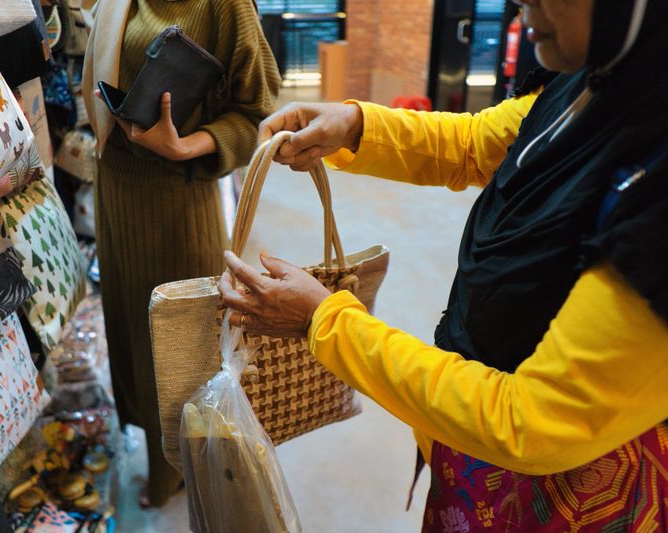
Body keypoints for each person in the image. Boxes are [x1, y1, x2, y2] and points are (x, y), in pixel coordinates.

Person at [220, 0, 668, 529]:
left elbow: (532, 421)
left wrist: (327, 322)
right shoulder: (599, 78)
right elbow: (481, 143)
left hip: (561, 490)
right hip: (468, 428)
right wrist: (355, 124)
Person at [83, 0, 280, 507]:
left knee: (177, 350)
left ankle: (179, 469)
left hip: (175, 199)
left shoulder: (224, 5)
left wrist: (186, 147)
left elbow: (258, 111)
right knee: (129, 328)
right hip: (117, 188)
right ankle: (156, 452)